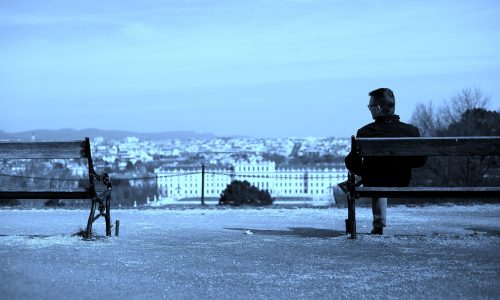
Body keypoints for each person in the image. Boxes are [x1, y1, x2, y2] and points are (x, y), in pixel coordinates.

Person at [344, 88, 426, 235]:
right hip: (402, 180)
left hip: (374, 182)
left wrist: (365, 172)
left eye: (371, 107)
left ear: (379, 108)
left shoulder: (365, 132)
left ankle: (379, 225)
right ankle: (378, 223)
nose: (369, 109)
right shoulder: (411, 131)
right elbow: (420, 161)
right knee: (379, 176)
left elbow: (351, 162)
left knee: (376, 179)